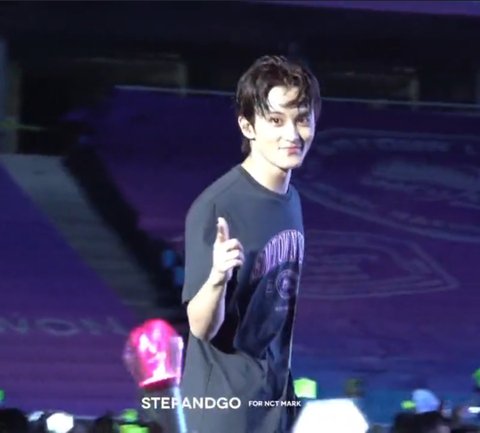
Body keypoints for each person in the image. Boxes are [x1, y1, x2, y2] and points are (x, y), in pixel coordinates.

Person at [180, 54, 321, 433]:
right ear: (247, 125)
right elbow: (200, 327)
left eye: (302, 119)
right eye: (276, 120)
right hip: (224, 411)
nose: (292, 134)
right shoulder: (218, 207)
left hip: (273, 403)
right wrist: (217, 278)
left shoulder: (291, 199)